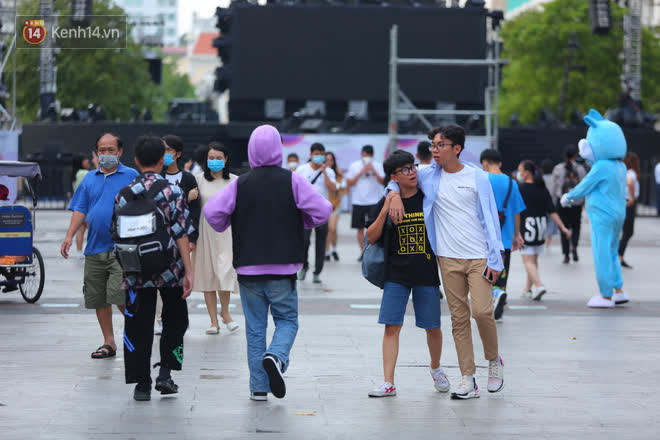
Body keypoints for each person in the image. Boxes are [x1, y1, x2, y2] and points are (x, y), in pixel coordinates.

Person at [203, 124, 332, 402]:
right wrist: (304, 220)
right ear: (279, 148)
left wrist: (228, 222)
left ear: (251, 150)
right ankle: (276, 356)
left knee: (254, 328)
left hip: (248, 267)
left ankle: (258, 389)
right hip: (284, 267)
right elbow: (323, 210)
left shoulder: (240, 183)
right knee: (287, 320)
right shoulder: (293, 180)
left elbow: (212, 212)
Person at [388, 124, 505, 400]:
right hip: (448, 258)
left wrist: (495, 258)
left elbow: (490, 219)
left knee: (482, 313)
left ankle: (493, 360)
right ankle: (467, 378)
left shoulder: (478, 178)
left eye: (441, 145)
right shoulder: (428, 174)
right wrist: (392, 194)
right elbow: (396, 179)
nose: (435, 150)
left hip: (478, 257)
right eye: (433, 145)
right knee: (459, 319)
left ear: (457, 148)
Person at [113, 135, 194, 401]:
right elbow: (182, 233)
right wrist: (188, 271)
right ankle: (166, 373)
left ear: (135, 161)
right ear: (162, 160)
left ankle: (142, 384)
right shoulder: (173, 192)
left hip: (135, 269)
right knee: (175, 320)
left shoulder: (124, 193)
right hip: (169, 269)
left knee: (137, 324)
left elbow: (114, 232)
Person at [365, 150, 448, 398]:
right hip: (396, 274)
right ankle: (388, 382)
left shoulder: (429, 198)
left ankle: (436, 368)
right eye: (405, 170)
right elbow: (370, 236)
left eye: (412, 167)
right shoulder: (388, 198)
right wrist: (388, 204)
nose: (412, 172)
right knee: (392, 327)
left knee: (433, 327)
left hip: (426, 272)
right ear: (394, 176)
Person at [61, 133, 139, 359]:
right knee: (98, 297)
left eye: (110, 150)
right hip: (95, 247)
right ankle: (109, 343)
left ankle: (136, 335)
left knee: (119, 294)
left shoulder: (131, 176)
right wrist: (69, 236)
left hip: (123, 249)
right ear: (96, 153)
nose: (105, 155)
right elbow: (80, 209)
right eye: (101, 151)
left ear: (120, 152)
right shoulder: (89, 179)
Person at [561, 109, 628, 308]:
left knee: (602, 252)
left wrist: (568, 197)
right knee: (613, 250)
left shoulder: (601, 167)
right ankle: (619, 290)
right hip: (618, 213)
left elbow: (585, 186)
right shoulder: (620, 166)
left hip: (602, 214)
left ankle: (605, 295)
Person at [153, 134, 200, 335]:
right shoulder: (157, 176)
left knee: (178, 279)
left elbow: (195, 211)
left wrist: (193, 238)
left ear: (178, 154)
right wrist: (185, 197)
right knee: (158, 278)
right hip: (160, 236)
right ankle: (159, 318)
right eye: (162, 150)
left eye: (169, 150)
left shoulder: (188, 178)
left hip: (182, 237)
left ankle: (175, 317)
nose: (165, 154)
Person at [192, 142, 239, 334]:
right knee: (208, 275)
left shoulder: (235, 181)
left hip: (227, 233)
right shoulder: (198, 180)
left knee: (226, 272)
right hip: (204, 233)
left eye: (219, 158)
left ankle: (225, 312)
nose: (215, 161)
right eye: (211, 158)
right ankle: (213, 321)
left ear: (226, 159)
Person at [480, 149, 526, 320]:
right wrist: (517, 234)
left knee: (484, 273)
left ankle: (492, 296)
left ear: (484, 162)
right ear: (499, 163)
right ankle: (500, 295)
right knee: (502, 271)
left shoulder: (482, 180)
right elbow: (517, 212)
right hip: (505, 238)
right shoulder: (512, 183)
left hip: (484, 238)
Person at [517, 160, 571, 300]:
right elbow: (552, 211)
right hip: (541, 227)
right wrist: (563, 227)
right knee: (533, 260)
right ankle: (527, 289)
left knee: (527, 261)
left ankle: (539, 285)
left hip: (527, 227)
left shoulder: (521, 188)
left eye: (521, 170)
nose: (519, 173)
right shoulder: (542, 188)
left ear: (527, 172)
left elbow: (516, 211)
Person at [295, 143, 337, 283]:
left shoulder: (329, 171)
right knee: (304, 241)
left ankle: (317, 272)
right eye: (316, 154)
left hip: (321, 212)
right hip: (305, 211)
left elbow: (333, 189)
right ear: (311, 154)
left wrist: (324, 172)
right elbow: (294, 188)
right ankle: (304, 266)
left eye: (321, 154)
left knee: (321, 242)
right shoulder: (302, 169)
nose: (319, 157)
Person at [346, 145, 385, 259]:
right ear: (361, 155)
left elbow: (383, 181)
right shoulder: (354, 166)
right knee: (359, 228)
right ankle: (363, 251)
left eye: (368, 155)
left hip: (374, 201)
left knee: (375, 227)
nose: (366, 157)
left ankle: (373, 251)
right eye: (364, 155)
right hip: (358, 201)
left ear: (372, 156)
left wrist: (373, 170)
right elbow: (350, 183)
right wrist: (361, 172)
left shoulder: (378, 166)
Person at [551, 145, 587, 263]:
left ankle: (566, 254)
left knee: (564, 227)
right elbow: (584, 185)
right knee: (576, 225)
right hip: (577, 202)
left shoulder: (558, 168)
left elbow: (554, 187)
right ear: (576, 155)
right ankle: (574, 246)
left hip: (563, 202)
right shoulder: (581, 169)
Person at [618, 152, 640, 269]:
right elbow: (630, 182)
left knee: (626, 231)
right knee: (628, 231)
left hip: (624, 200)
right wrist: (632, 198)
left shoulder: (625, 172)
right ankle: (619, 256)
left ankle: (619, 255)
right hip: (629, 202)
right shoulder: (631, 173)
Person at [325, 151, 346, 262]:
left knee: (332, 228)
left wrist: (335, 203)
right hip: (323, 204)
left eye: (331, 160)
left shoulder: (338, 174)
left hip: (335, 205)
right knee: (327, 229)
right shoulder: (322, 172)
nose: (329, 162)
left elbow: (341, 189)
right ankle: (327, 251)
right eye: (326, 160)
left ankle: (333, 248)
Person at [71, 153, 91, 258]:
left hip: (78, 205)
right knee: (91, 228)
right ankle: (92, 250)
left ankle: (79, 252)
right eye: (86, 160)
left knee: (80, 229)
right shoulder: (84, 173)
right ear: (81, 162)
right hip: (87, 205)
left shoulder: (75, 174)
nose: (88, 161)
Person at [540, 158, 558, 248]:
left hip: (542, 202)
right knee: (551, 220)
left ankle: (542, 235)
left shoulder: (541, 178)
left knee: (544, 219)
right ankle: (548, 237)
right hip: (553, 201)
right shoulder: (554, 178)